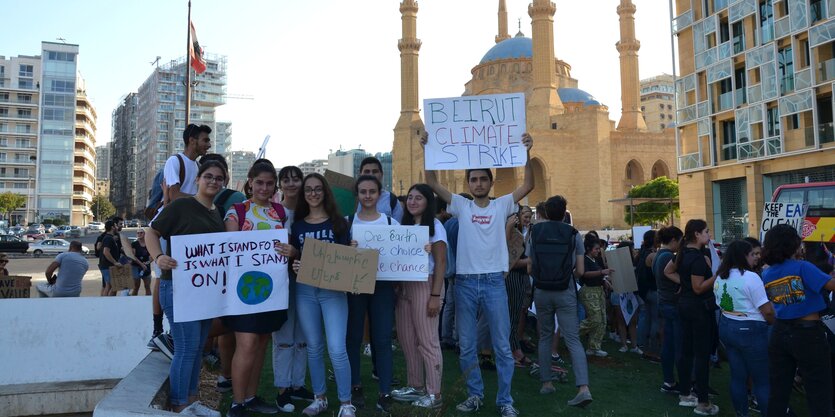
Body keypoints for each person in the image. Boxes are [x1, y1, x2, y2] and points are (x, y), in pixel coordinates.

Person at [421, 131, 534, 417]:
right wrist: (428, 149)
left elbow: (529, 183)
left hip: (495, 283)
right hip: (466, 285)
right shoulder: (461, 205)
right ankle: (475, 394)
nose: (479, 183)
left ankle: (505, 400)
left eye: (483, 179)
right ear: (468, 183)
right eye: (473, 179)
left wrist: (528, 152)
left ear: (490, 182)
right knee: (467, 346)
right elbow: (432, 182)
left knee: (502, 346)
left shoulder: (502, 205)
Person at [144, 160, 226, 416]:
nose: (213, 181)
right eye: (209, 176)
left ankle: (190, 399)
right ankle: (180, 404)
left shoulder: (217, 211)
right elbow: (151, 232)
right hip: (176, 286)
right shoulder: (182, 205)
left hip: (202, 292)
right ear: (199, 179)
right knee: (187, 347)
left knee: (198, 346)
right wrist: (158, 257)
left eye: (219, 178)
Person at [223, 160, 289, 416]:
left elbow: (288, 245)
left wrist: (291, 250)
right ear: (250, 182)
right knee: (247, 343)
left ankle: (250, 397)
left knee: (261, 342)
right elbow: (229, 247)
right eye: (259, 182)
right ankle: (237, 403)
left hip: (272, 289)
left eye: (269, 183)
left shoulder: (280, 212)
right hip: (244, 290)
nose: (264, 187)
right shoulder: (237, 211)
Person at [290, 173, 355, 417]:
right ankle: (320, 398)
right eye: (308, 190)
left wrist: (353, 253)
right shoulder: (298, 226)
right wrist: (295, 263)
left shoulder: (339, 223)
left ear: (325, 192)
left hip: (333, 292)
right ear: (303, 194)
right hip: (305, 291)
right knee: (314, 347)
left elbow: (347, 260)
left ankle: (346, 402)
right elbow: (296, 257)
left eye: (318, 189)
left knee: (337, 348)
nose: (313, 193)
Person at [149, 124, 212, 351]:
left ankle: (173, 331)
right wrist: (203, 201)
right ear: (193, 140)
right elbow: (174, 195)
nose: (208, 144)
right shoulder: (174, 162)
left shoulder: (197, 166)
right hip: (168, 226)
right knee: (163, 276)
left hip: (187, 228)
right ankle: (157, 330)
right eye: (205, 140)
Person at [762, 224, 835, 417]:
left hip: (779, 332)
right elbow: (831, 285)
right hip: (808, 333)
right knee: (819, 390)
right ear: (792, 244)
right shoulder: (803, 267)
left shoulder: (767, 272)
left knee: (779, 390)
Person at [528, 195, 594, 407]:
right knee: (573, 339)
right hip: (565, 290)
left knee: (545, 336)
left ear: (546, 212)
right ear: (565, 212)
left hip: (541, 290)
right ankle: (583, 388)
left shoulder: (535, 232)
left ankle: (546, 383)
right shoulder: (573, 234)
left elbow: (530, 267)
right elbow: (581, 271)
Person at [390, 184, 447, 409]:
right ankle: (415, 386)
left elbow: (441, 262)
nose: (413, 202)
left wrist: (435, 295)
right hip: (404, 286)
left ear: (428, 202)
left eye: (419, 198)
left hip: (426, 284)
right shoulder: (404, 226)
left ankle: (435, 394)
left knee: (428, 341)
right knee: (407, 339)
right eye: (410, 198)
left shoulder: (436, 227)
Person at [344, 175, 399, 413]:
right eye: (363, 192)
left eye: (372, 192)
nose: (367, 196)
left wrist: (422, 248)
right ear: (357, 195)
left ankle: (385, 390)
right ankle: (355, 384)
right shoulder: (346, 224)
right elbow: (337, 258)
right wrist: (347, 249)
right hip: (355, 287)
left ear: (379, 194)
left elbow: (404, 251)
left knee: (383, 339)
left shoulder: (390, 223)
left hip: (383, 287)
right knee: (354, 337)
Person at [713, 240, 775, 416]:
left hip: (727, 325)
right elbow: (767, 311)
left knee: (738, 377)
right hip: (750, 329)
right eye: (751, 254)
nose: (756, 258)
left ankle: (741, 413)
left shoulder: (720, 276)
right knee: (762, 380)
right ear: (743, 256)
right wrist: (772, 322)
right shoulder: (750, 277)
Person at [664, 219, 719, 415]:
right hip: (697, 308)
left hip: (684, 306)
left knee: (686, 351)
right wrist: (717, 275)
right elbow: (698, 288)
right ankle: (703, 401)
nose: (708, 234)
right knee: (701, 354)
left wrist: (684, 283)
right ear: (696, 234)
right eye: (706, 231)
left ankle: (686, 393)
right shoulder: (695, 257)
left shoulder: (683, 253)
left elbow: (668, 271)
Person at [271, 165, 314, 412]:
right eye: (285, 179)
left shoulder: (310, 210)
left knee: (304, 335)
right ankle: (282, 388)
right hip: (281, 279)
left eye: (295, 179)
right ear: (280, 184)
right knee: (285, 335)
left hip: (308, 278)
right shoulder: (276, 212)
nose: (291, 183)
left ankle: (298, 385)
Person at [653, 226, 684, 395]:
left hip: (664, 302)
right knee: (677, 345)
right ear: (673, 240)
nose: (681, 244)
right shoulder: (667, 257)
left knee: (668, 344)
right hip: (672, 303)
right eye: (680, 241)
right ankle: (678, 381)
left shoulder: (658, 255)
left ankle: (669, 380)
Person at [506, 206, 533, 367]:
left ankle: (514, 349)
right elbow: (508, 262)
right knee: (512, 316)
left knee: (516, 315)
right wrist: (529, 261)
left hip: (520, 278)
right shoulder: (513, 234)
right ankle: (512, 351)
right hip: (513, 279)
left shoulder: (521, 233)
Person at [578, 234, 612, 357]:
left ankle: (594, 347)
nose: (598, 251)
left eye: (599, 249)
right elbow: (584, 274)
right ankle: (572, 333)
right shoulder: (583, 259)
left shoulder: (595, 259)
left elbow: (599, 275)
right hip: (588, 291)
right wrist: (601, 272)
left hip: (598, 290)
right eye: (596, 249)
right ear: (588, 249)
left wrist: (604, 280)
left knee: (602, 320)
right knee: (595, 319)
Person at [357, 157, 403, 223]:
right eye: (367, 171)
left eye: (375, 171)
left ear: (381, 174)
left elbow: (398, 229)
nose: (371, 175)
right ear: (360, 174)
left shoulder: (392, 200)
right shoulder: (352, 198)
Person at [636, 229, 659, 354]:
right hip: (652, 290)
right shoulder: (653, 255)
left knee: (644, 317)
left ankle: (641, 343)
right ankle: (652, 346)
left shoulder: (642, 253)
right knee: (655, 319)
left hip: (643, 291)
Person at [98, 220, 120, 297]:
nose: (117, 227)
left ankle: (107, 302)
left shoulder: (110, 238)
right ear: (112, 227)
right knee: (109, 285)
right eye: (116, 226)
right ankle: (105, 302)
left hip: (108, 266)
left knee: (111, 285)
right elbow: (106, 252)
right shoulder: (108, 238)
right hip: (107, 266)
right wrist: (115, 262)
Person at [130, 229, 152, 296]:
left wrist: (148, 262)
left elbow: (153, 255)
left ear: (145, 234)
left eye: (141, 233)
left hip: (146, 267)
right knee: (136, 287)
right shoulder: (134, 244)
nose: (139, 234)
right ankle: (133, 301)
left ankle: (149, 302)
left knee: (147, 286)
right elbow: (133, 256)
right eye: (138, 233)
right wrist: (141, 264)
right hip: (136, 267)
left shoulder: (149, 243)